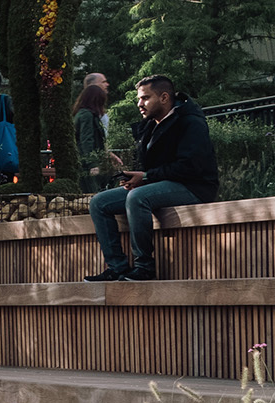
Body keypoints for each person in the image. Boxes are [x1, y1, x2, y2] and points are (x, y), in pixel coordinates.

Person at [85, 73, 220, 281]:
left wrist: (147, 177)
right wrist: (135, 177)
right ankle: (118, 267)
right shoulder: (150, 125)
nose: (140, 104)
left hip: (194, 187)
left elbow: (190, 166)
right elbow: (150, 167)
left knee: (138, 197)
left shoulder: (190, 122)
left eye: (145, 98)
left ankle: (144, 267)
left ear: (164, 98)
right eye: (139, 98)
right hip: (161, 184)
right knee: (99, 202)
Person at [72, 73, 113, 180]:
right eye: (103, 82)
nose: (107, 85)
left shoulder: (89, 114)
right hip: (88, 165)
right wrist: (92, 164)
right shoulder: (87, 115)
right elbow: (87, 140)